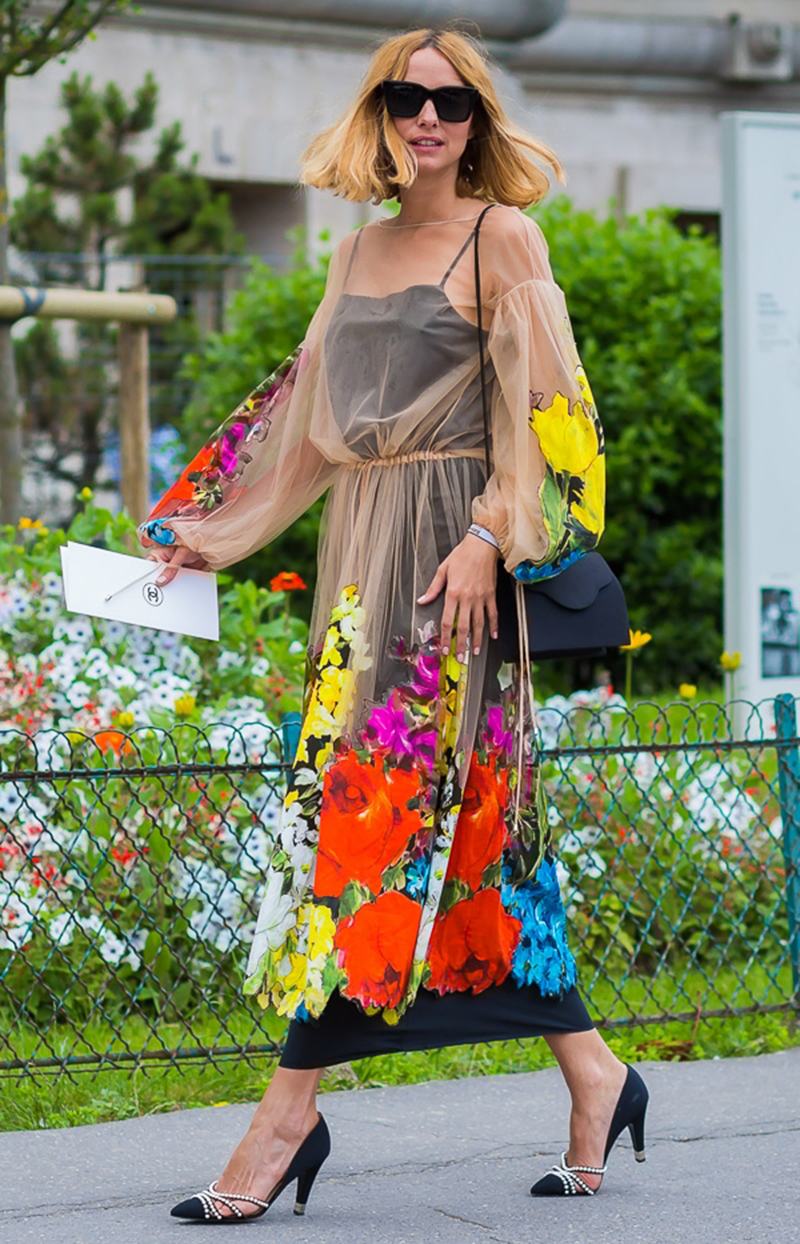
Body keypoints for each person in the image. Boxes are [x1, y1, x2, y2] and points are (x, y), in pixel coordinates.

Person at [139, 27, 649, 1222]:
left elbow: (556, 419)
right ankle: (597, 1076)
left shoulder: (500, 238)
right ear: (377, 112)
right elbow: (301, 419)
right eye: (405, 97)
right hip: (357, 571)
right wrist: (201, 529)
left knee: (366, 829)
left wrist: (486, 535)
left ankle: (284, 1118)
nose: (427, 118)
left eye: (452, 100)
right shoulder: (357, 249)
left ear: (476, 120)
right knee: (471, 833)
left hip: (449, 575)